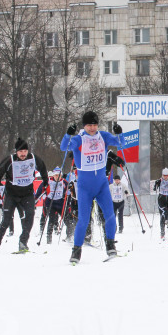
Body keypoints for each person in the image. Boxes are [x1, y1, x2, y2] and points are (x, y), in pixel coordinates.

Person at [60, 111, 123, 263]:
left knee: (109, 216)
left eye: (94, 125)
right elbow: (64, 147)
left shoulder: (103, 136)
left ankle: (110, 245)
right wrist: (68, 135)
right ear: (84, 126)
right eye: (89, 125)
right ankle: (76, 251)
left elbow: (121, 143)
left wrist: (120, 133)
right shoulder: (79, 139)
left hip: (101, 185)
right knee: (83, 219)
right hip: (84, 187)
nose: (93, 128)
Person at [0, 138, 49, 254]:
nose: (23, 154)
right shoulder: (9, 160)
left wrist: (46, 183)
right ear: (16, 151)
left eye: (25, 151)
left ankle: (23, 242)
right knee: (6, 221)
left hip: (27, 194)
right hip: (11, 194)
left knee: (30, 216)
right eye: (21, 151)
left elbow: (43, 168)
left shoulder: (33, 159)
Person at [38, 167, 67, 244]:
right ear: (53, 175)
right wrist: (35, 199)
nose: (57, 177)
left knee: (67, 219)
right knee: (51, 220)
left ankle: (70, 237)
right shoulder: (48, 181)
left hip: (60, 204)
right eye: (56, 175)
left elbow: (69, 191)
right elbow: (39, 190)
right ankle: (49, 240)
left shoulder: (64, 182)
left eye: (59, 175)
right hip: (51, 203)